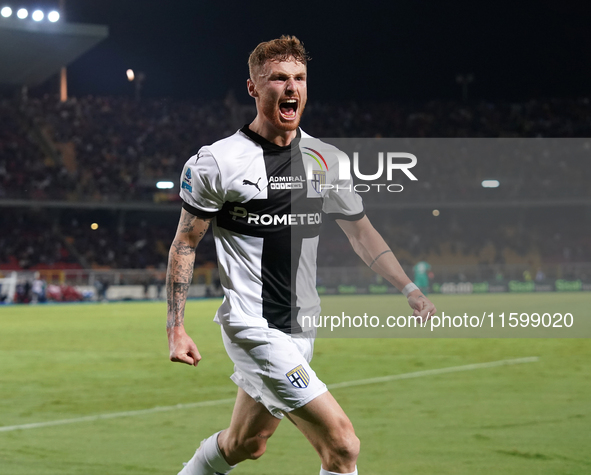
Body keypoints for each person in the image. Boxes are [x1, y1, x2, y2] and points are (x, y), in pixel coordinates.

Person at [166, 35, 436, 475]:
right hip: (254, 326)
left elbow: (361, 232)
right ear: (254, 88)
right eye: (277, 79)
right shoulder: (219, 162)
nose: (291, 88)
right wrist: (175, 327)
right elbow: (185, 242)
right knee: (343, 445)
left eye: (299, 78)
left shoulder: (325, 161)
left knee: (245, 443)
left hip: (302, 326)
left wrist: (409, 288)